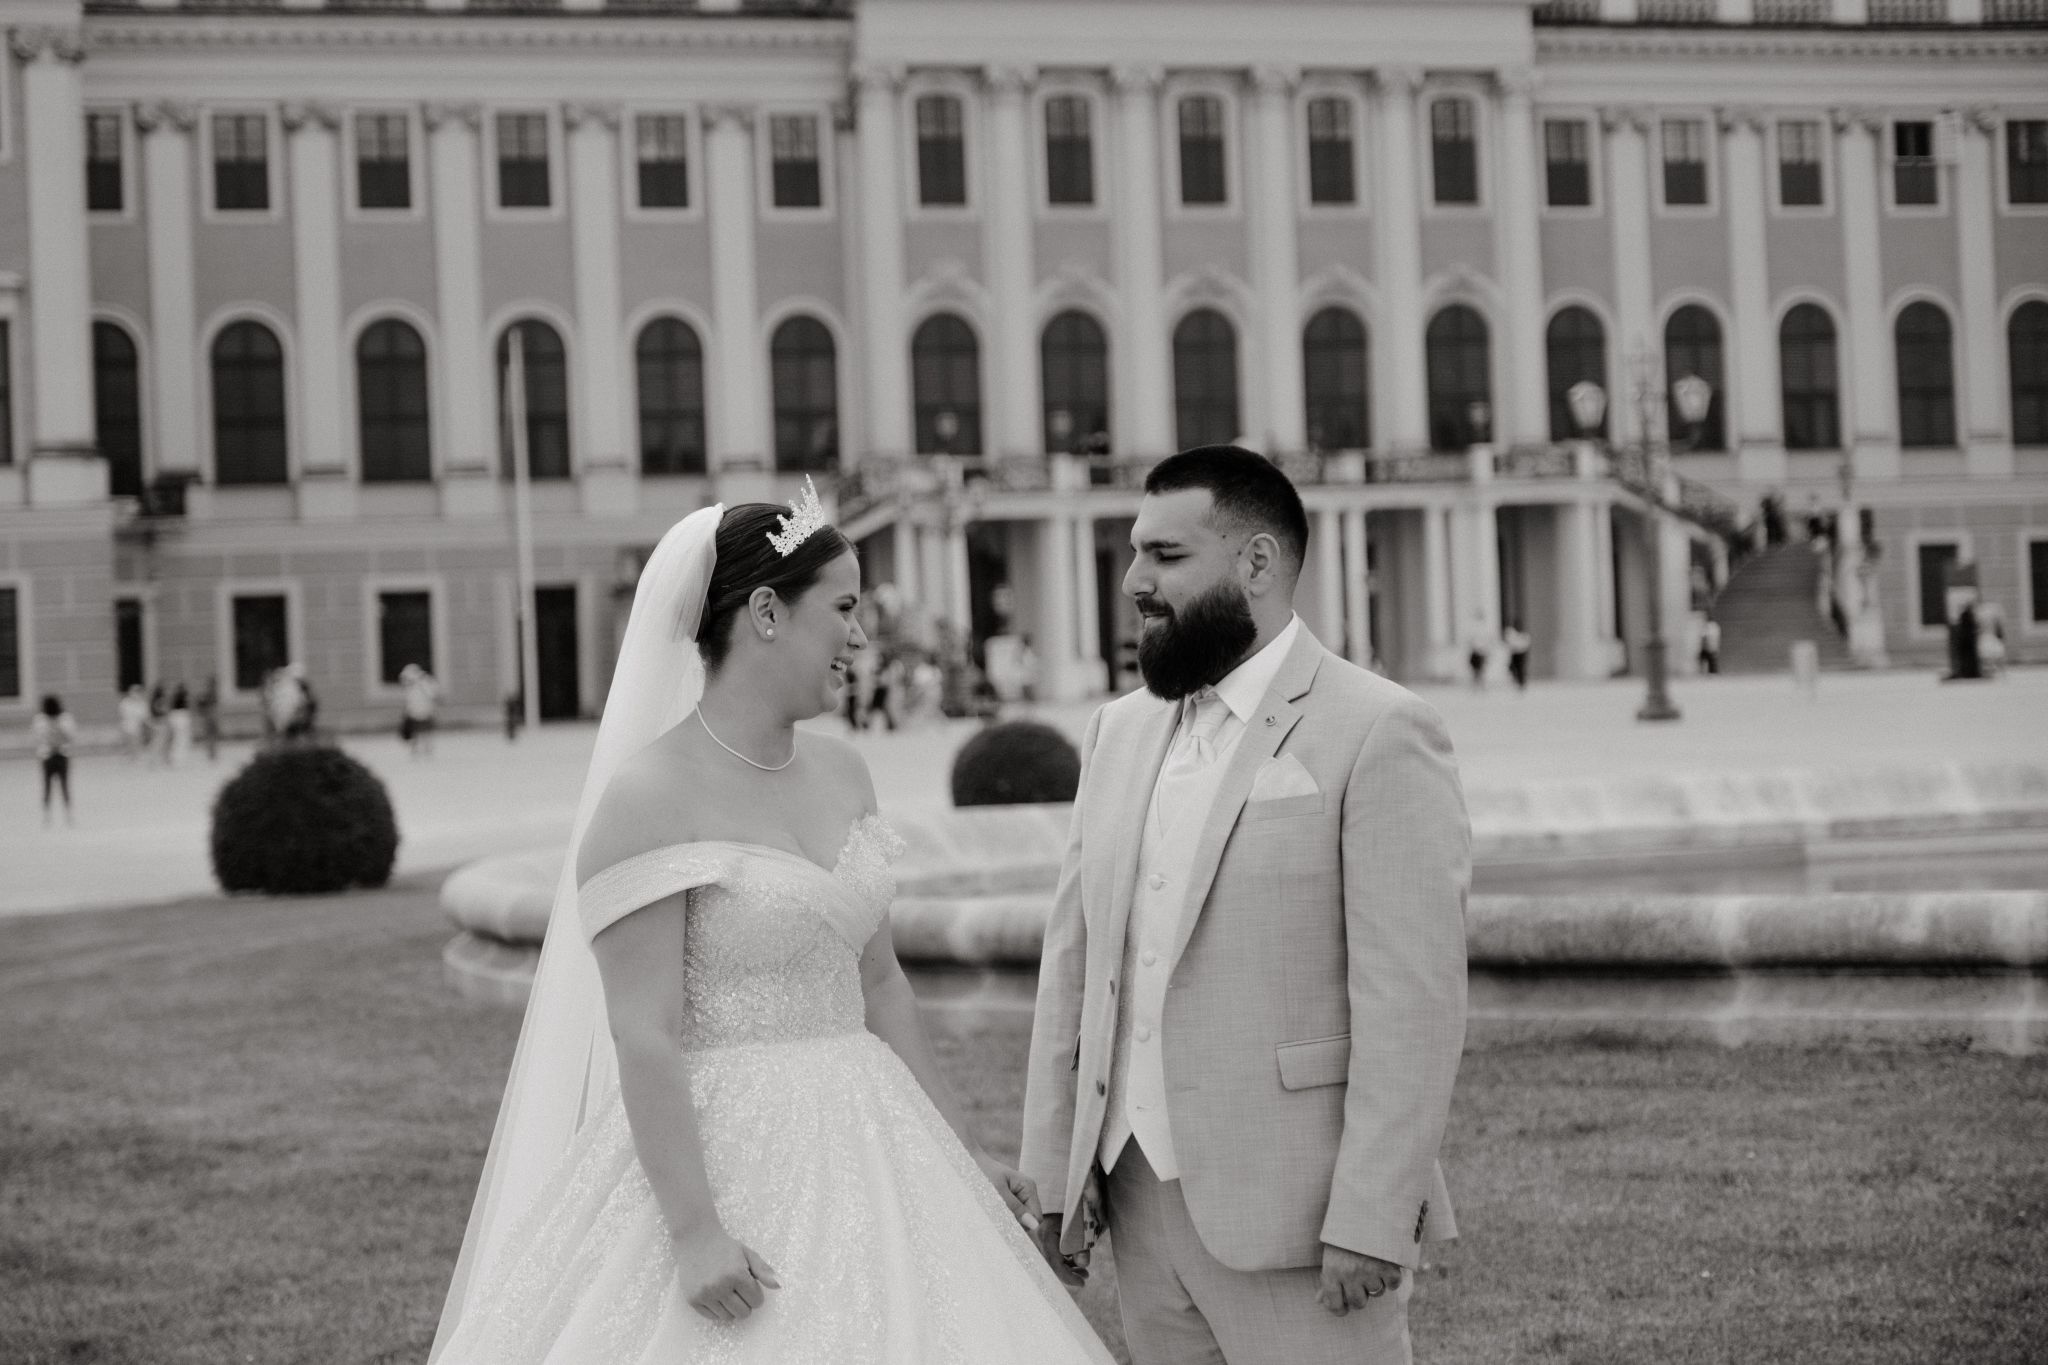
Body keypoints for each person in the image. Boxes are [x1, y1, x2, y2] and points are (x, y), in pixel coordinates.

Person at [430, 491, 1113, 1364]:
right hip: (724, 1157)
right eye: (844, 608)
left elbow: (882, 984)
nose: (860, 638)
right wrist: (695, 1230)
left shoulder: (846, 771)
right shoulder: (648, 796)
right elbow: (644, 1031)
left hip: (875, 1132)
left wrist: (962, 1151)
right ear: (765, 612)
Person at [1021, 447, 1469, 1365]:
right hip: (1135, 1201)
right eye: (1135, 551)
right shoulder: (1116, 730)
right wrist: (1053, 1173)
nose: (1134, 580)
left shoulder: (1380, 728)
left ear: (1256, 562)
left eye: (1166, 555)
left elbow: (1412, 1005)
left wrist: (1373, 1214)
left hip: (1301, 1215)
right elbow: (1074, 966)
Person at [32, 695, 77, 826]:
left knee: (49, 786)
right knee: (63, 786)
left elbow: (38, 737)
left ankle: (48, 816)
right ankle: (67, 815)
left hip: (49, 755)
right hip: (60, 754)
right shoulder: (64, 719)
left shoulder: (41, 720)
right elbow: (70, 737)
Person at [399, 663, 440, 757]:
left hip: (424, 710)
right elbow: (409, 700)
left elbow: (432, 695)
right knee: (416, 731)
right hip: (415, 711)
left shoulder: (424, 683)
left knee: (424, 731)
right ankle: (417, 750)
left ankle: (426, 749)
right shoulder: (411, 686)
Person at [117, 684, 150, 762]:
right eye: (134, 692)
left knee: (137, 742)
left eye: (138, 692)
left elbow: (145, 717)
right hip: (127, 726)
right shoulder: (125, 702)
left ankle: (137, 757)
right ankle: (131, 756)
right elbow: (122, 715)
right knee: (129, 742)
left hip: (138, 727)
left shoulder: (143, 704)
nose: (135, 695)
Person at [165, 684, 192, 766]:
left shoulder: (174, 699)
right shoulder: (181, 703)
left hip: (177, 716)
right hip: (180, 716)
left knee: (177, 739)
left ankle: (175, 758)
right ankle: (176, 758)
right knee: (179, 739)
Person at [195, 676, 221, 761]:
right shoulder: (210, 694)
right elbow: (201, 705)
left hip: (210, 716)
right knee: (210, 735)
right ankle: (211, 753)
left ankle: (212, 752)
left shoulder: (210, 694)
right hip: (210, 716)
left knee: (211, 735)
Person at [1502, 622, 1532, 692]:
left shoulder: (1524, 635)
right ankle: (1516, 681)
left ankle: (1521, 683)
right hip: (1515, 654)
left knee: (1520, 669)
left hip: (1521, 654)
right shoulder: (1512, 633)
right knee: (1512, 668)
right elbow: (1508, 642)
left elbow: (1526, 644)